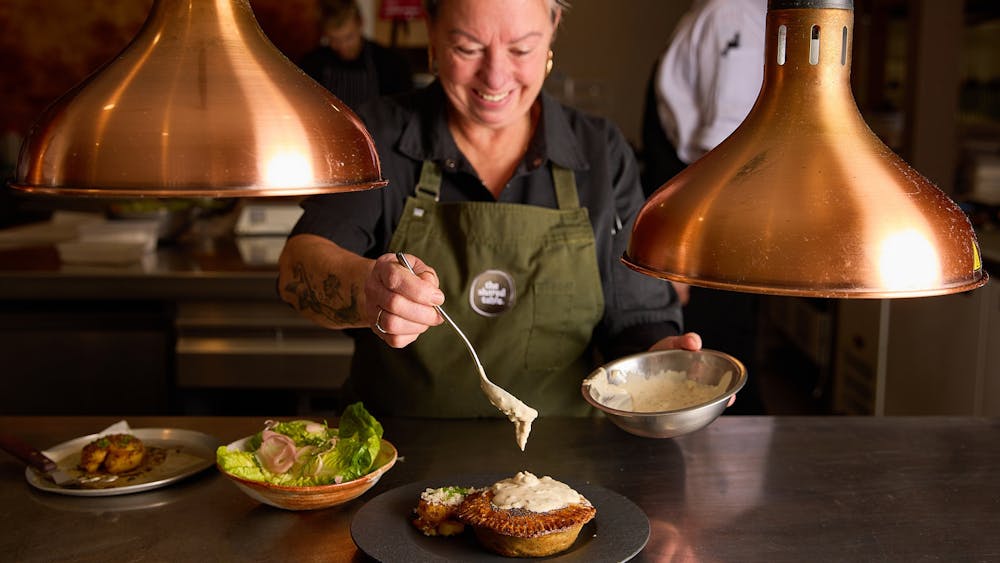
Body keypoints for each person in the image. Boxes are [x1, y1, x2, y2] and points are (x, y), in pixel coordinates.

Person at [278, 0, 703, 418]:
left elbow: (635, 319)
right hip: (395, 449)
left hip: (566, 456)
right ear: (432, 31)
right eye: (467, 48)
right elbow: (298, 266)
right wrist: (366, 289)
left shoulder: (601, 151)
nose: (496, 76)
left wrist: (659, 362)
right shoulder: (377, 136)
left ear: (553, 26)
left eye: (521, 49)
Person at [641, 0, 768, 414]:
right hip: (708, 232)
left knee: (718, 378)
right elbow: (723, 152)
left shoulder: (729, 15)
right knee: (711, 377)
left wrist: (678, 253)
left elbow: (725, 150)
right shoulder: (728, 16)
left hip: (712, 233)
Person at [642, 0, 767, 195]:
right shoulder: (730, 14)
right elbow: (728, 147)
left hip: (696, 190)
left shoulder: (732, 14)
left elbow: (728, 146)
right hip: (689, 187)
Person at [298, 0, 414, 110]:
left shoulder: (391, 64)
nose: (343, 46)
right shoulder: (311, 64)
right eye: (334, 40)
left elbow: (402, 114)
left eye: (349, 37)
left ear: (361, 23)